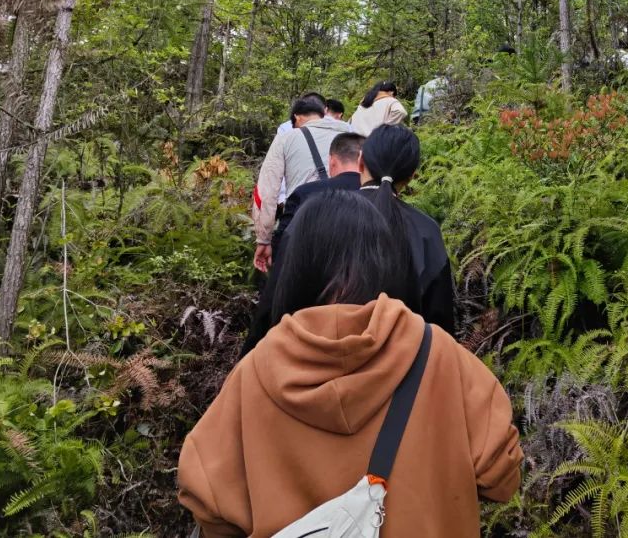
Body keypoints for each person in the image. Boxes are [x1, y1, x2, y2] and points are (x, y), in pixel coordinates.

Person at [177, 192, 522, 538]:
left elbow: (207, 501)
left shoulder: (253, 374)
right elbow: (502, 476)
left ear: (296, 268)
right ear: (387, 262)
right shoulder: (439, 355)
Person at [240, 132, 365, 356]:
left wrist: (265, 240)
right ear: (365, 161)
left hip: (307, 317)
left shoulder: (307, 195)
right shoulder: (387, 203)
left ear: (332, 161)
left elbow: (284, 259)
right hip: (363, 324)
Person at [358, 124, 456, 335]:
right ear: (412, 176)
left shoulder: (316, 215)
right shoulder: (426, 230)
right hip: (405, 359)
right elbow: (440, 319)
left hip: (324, 358)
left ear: (360, 161)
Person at [252, 95, 350, 271]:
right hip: (352, 216)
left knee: (285, 286)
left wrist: (264, 239)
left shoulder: (286, 138)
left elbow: (266, 192)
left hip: (302, 219)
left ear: (297, 117)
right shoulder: (353, 133)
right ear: (323, 113)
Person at [272, 92, 326, 208]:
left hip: (296, 199)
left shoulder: (286, 128)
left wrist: (281, 199)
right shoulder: (343, 129)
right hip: (332, 200)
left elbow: (277, 168)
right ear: (324, 110)